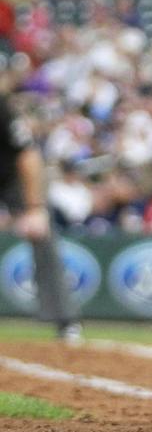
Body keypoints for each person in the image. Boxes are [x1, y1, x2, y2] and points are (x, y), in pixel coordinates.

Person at [1, 91, 81, 342]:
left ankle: (65, 321)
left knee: (43, 235)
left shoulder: (2, 109)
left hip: (12, 178)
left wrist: (35, 208)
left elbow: (28, 157)